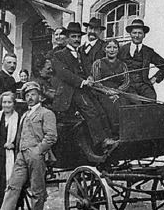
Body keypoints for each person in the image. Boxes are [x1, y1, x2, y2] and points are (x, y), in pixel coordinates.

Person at [51, 22, 118, 152]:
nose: (76, 39)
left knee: (101, 109)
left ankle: (110, 138)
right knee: (91, 110)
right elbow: (64, 74)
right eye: (73, 36)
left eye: (78, 37)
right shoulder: (59, 55)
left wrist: (90, 78)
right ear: (67, 38)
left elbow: (87, 70)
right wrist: (82, 82)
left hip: (84, 89)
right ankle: (101, 142)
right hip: (70, 92)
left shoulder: (81, 53)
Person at [0, 81, 57, 210]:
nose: (30, 98)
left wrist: (38, 151)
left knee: (37, 191)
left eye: (33, 94)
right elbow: (19, 135)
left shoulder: (46, 113)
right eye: (27, 95)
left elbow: (51, 136)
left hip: (36, 156)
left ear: (40, 97)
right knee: (12, 187)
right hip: (22, 155)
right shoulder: (25, 115)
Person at [118, 19, 164, 100]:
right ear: (130, 34)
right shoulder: (122, 50)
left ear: (144, 35)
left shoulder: (148, 51)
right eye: (134, 33)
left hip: (143, 85)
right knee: (134, 102)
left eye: (140, 33)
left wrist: (155, 78)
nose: (137, 35)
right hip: (127, 86)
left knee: (151, 99)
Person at [91, 39, 130, 136]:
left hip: (118, 93)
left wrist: (117, 92)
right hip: (101, 93)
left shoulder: (123, 65)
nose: (112, 50)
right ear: (104, 49)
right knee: (109, 106)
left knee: (125, 104)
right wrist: (107, 92)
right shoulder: (98, 63)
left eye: (115, 47)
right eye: (109, 47)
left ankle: (124, 134)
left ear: (118, 50)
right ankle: (111, 134)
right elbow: (96, 82)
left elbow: (126, 82)